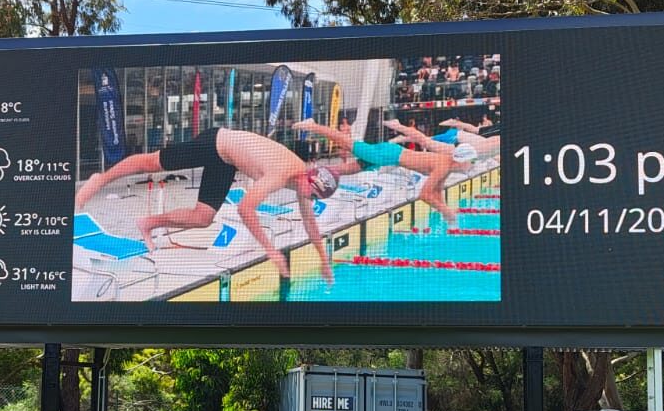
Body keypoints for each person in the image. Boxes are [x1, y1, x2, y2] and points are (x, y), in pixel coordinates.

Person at [75, 127, 337, 286]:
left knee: (203, 217)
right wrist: (272, 252)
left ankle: (148, 223)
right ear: (311, 179)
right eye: (312, 195)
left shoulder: (304, 181)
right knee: (151, 163)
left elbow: (310, 222)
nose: (310, 199)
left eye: (315, 199)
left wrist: (324, 261)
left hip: (227, 160)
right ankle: (101, 179)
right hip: (215, 143)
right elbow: (245, 209)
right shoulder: (283, 172)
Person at [294, 117, 458, 226]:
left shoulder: (445, 167)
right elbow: (424, 195)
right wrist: (445, 210)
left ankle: (307, 172)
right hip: (389, 155)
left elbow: (437, 190)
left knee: (349, 169)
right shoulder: (444, 165)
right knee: (346, 142)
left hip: (391, 155)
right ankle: (312, 125)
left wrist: (443, 210)